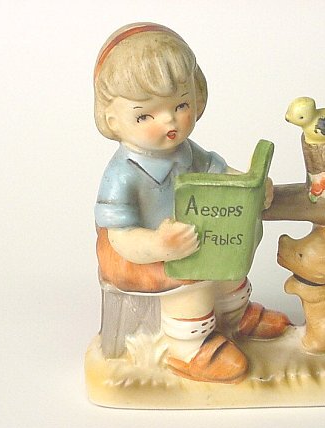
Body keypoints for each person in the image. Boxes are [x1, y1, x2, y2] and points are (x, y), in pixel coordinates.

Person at [93, 23, 289, 384]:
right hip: (142, 254)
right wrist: (158, 245)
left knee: (227, 258)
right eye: (144, 115)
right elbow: (120, 235)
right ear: (112, 120)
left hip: (194, 239)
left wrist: (249, 185)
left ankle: (235, 315)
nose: (169, 120)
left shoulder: (186, 152)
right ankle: (188, 348)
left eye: (180, 104)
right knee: (191, 284)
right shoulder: (122, 175)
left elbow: (218, 173)